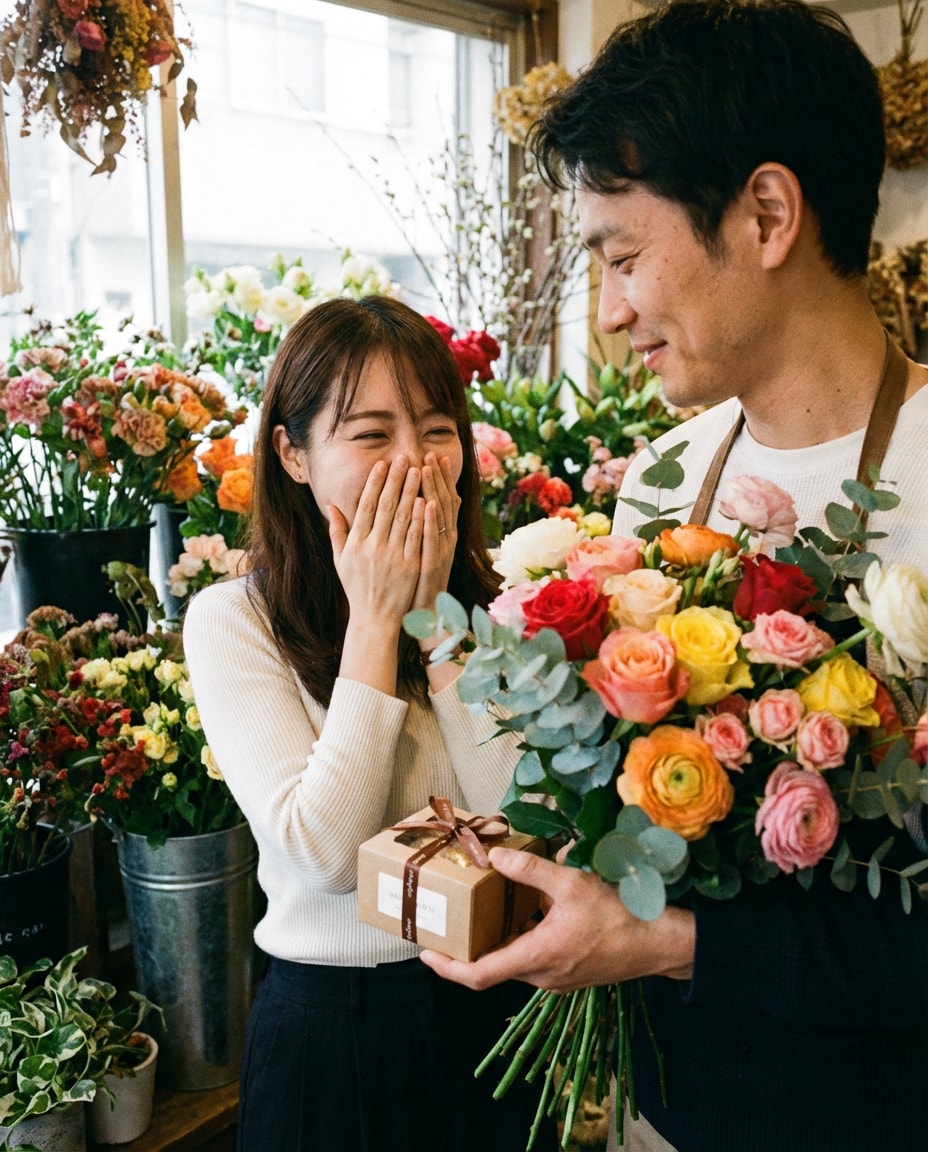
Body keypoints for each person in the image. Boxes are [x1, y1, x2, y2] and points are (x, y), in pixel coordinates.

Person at [417, 3, 928, 1151]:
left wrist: (668, 941)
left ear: (765, 214)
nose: (608, 312)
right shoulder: (662, 481)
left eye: (623, 255)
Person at [182, 295, 556, 1152]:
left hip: (488, 1005)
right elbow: (325, 856)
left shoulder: (494, 605)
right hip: (334, 1030)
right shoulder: (234, 621)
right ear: (293, 453)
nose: (413, 464)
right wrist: (377, 623)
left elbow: (523, 826)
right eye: (370, 434)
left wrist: (437, 624)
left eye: (434, 430)